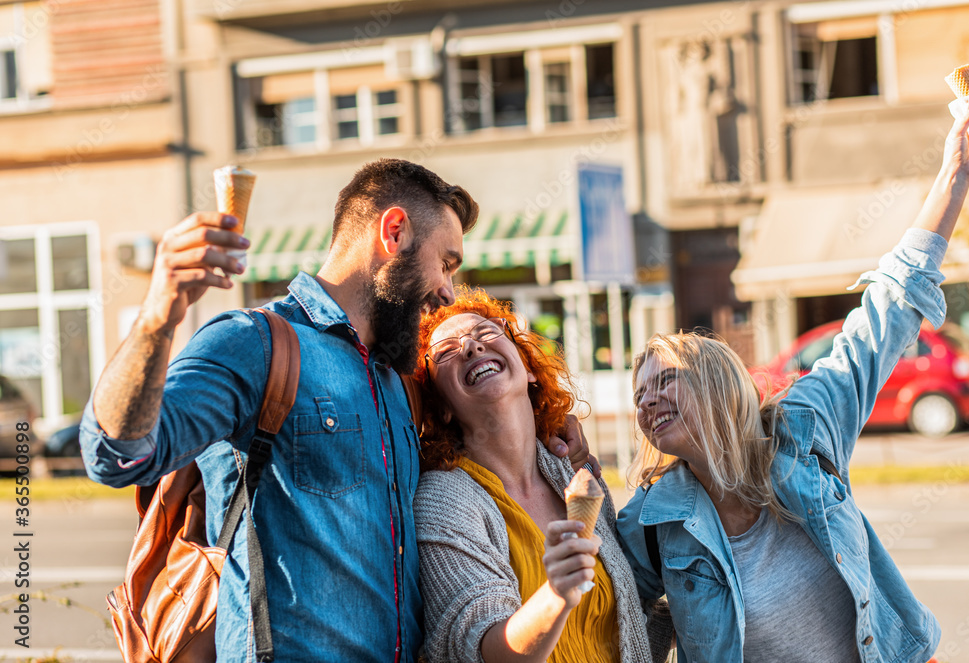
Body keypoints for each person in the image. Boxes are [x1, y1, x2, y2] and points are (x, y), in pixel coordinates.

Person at [79, 159, 588, 662]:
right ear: (395, 232)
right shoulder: (255, 345)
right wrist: (157, 317)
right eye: (447, 262)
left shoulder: (398, 379)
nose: (448, 291)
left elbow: (484, 426)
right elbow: (116, 452)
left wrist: (549, 421)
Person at [617, 100, 969, 663]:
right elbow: (611, 617)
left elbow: (888, 310)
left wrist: (957, 172)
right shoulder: (651, 520)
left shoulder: (806, 427)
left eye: (664, 381)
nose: (648, 401)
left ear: (719, 384)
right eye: (639, 395)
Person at [411, 288, 673, 663]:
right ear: (442, 406)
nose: (470, 347)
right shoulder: (444, 500)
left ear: (529, 368)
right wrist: (556, 595)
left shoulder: (572, 473)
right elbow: (481, 650)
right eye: (447, 352)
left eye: (486, 333)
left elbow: (627, 618)